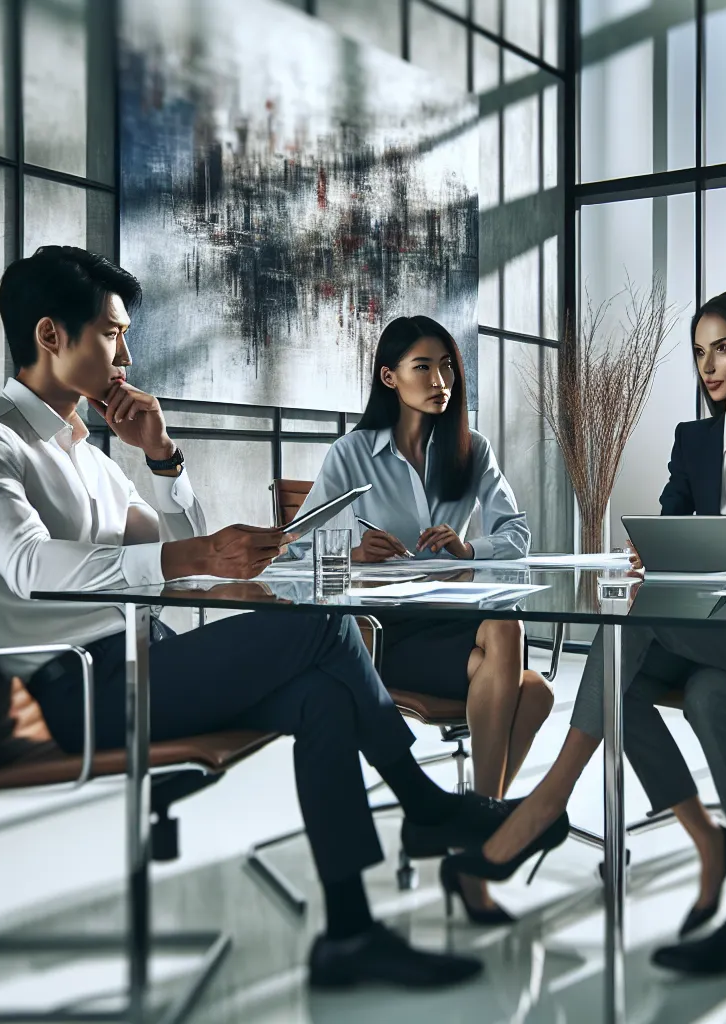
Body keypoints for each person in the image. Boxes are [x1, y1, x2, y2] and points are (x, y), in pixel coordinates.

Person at [0, 246, 510, 990]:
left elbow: (178, 552)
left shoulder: (92, 456)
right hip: (73, 689)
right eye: (112, 333)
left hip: (144, 662)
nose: (126, 354)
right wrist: (195, 552)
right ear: (50, 335)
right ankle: (424, 803)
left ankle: (352, 936)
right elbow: (32, 568)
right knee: (323, 624)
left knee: (323, 695)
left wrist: (163, 458)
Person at [444, 289, 726, 972]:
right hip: (702, 636)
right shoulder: (694, 443)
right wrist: (657, 551)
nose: (709, 365)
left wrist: (725, 551)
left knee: (625, 638)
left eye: (722, 346)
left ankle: (544, 805)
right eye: (699, 352)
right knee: (686, 696)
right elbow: (663, 533)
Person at [291, 314, 552, 923]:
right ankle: (481, 841)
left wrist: (471, 550)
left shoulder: (472, 450)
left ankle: (472, 831)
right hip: (382, 633)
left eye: (447, 367)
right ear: (390, 376)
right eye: (423, 367)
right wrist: (352, 555)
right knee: (533, 693)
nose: (441, 380)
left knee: (508, 633)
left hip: (454, 615)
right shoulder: (351, 455)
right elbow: (296, 550)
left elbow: (517, 532)